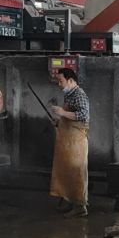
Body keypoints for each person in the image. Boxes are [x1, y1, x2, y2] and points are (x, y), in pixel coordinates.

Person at [50, 68, 89, 218]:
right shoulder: (69, 95)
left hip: (77, 142)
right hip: (68, 142)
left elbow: (83, 114)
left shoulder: (79, 94)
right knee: (68, 173)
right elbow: (69, 116)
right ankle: (70, 202)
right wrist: (59, 121)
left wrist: (63, 113)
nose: (59, 84)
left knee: (77, 173)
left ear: (71, 80)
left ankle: (80, 208)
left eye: (61, 81)